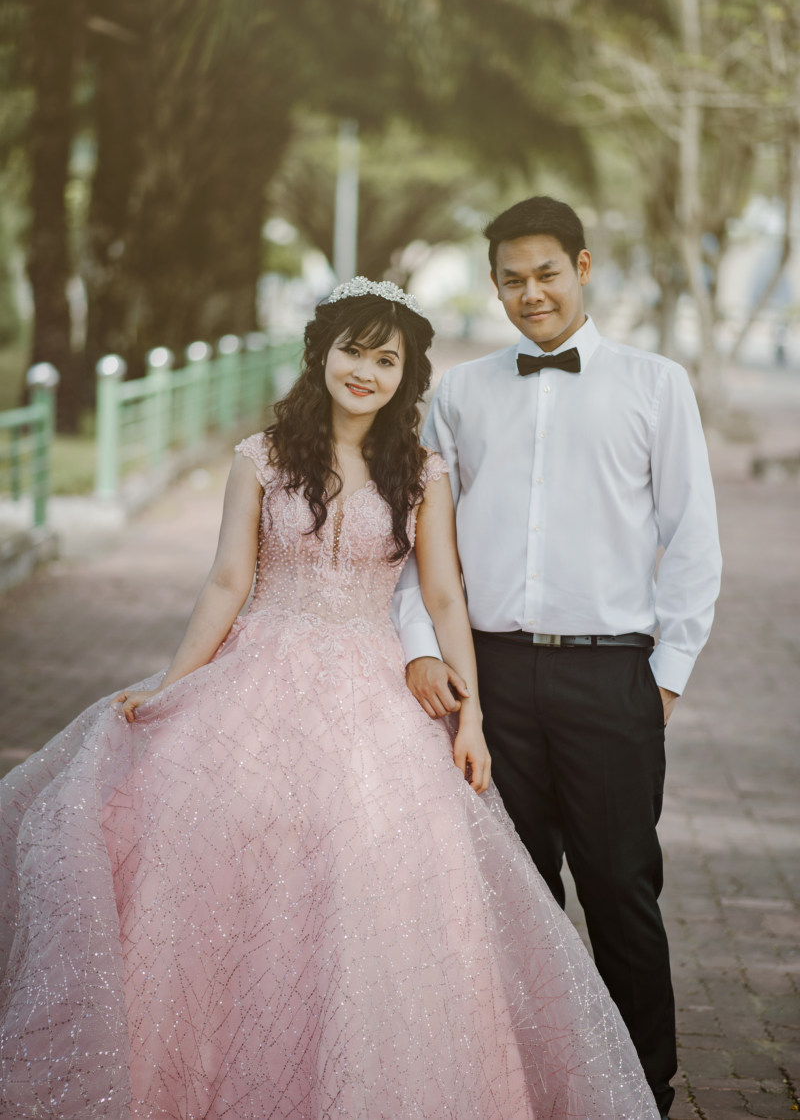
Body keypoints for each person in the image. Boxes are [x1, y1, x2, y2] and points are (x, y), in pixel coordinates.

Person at [0, 278, 659, 1119]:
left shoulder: (421, 472)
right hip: (256, 675)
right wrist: (174, 684)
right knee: (227, 861)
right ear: (322, 354)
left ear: (405, 377)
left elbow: (447, 597)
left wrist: (474, 716)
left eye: (387, 360)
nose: (366, 372)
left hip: (371, 689)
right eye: (354, 350)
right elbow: (228, 581)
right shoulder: (263, 458)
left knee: (372, 873)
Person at [393, 199, 723, 1120]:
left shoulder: (657, 385)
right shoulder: (458, 394)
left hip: (610, 675)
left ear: (583, 267)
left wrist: (663, 680)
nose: (529, 293)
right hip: (488, 681)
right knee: (514, 899)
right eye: (510, 278)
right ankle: (530, 1090)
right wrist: (424, 650)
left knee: (621, 891)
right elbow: (423, 548)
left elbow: (693, 541)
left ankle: (642, 1094)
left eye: (546, 273)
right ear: (493, 284)